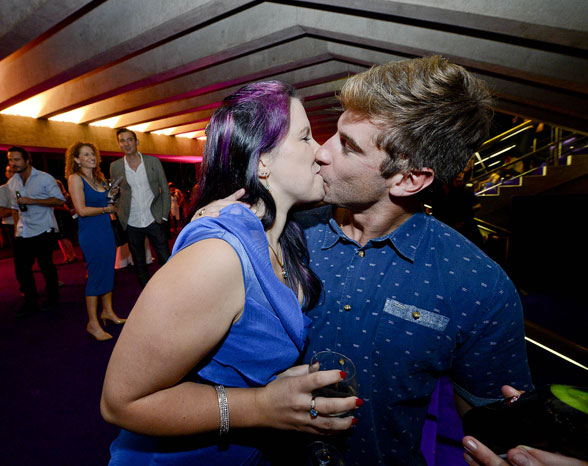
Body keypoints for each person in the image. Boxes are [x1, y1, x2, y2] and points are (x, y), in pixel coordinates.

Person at [199, 57, 534, 465]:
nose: (321, 152)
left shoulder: (477, 283)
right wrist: (213, 234)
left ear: (409, 179)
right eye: (334, 134)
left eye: (348, 145)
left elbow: (490, 433)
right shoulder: (278, 229)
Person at [100, 81, 361, 465]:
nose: (320, 151)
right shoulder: (218, 258)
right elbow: (121, 403)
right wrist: (260, 406)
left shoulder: (286, 234)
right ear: (262, 162)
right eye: (305, 137)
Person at [65, 142, 125, 341]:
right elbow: (81, 210)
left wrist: (111, 199)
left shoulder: (99, 179)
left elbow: (108, 205)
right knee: (95, 275)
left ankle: (107, 311)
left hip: (106, 231)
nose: (91, 157)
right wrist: (106, 210)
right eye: (85, 154)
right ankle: (92, 323)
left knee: (108, 271)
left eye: (93, 153)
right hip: (91, 234)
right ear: (76, 159)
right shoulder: (75, 178)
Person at [5, 146, 65, 316]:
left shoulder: (45, 178)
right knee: (22, 269)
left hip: (44, 228)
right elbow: (14, 209)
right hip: (24, 231)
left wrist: (33, 201)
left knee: (46, 265)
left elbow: (59, 201)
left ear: (27, 160)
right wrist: (17, 231)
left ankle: (53, 298)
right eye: (10, 160)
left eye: (17, 160)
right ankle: (30, 301)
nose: (13, 163)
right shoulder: (12, 182)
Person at [109, 128, 171, 288]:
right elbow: (114, 195)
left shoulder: (152, 162)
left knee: (166, 258)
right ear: (119, 144)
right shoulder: (115, 167)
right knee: (139, 263)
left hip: (154, 218)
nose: (126, 143)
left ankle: (172, 289)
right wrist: (113, 195)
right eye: (122, 140)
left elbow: (165, 190)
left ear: (136, 142)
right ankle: (147, 293)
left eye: (129, 139)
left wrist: (164, 216)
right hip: (131, 221)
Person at [54, 179, 78, 264]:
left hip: (64, 217)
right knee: (59, 238)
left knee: (64, 237)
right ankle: (66, 256)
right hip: (56, 217)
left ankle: (73, 255)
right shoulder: (52, 197)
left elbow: (70, 209)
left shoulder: (65, 196)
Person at [0, 164, 16, 249]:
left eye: (15, 172)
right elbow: (1, 213)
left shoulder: (25, 188)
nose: (13, 174)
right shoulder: (2, 190)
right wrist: (18, 209)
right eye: (10, 171)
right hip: (12, 226)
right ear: (6, 174)